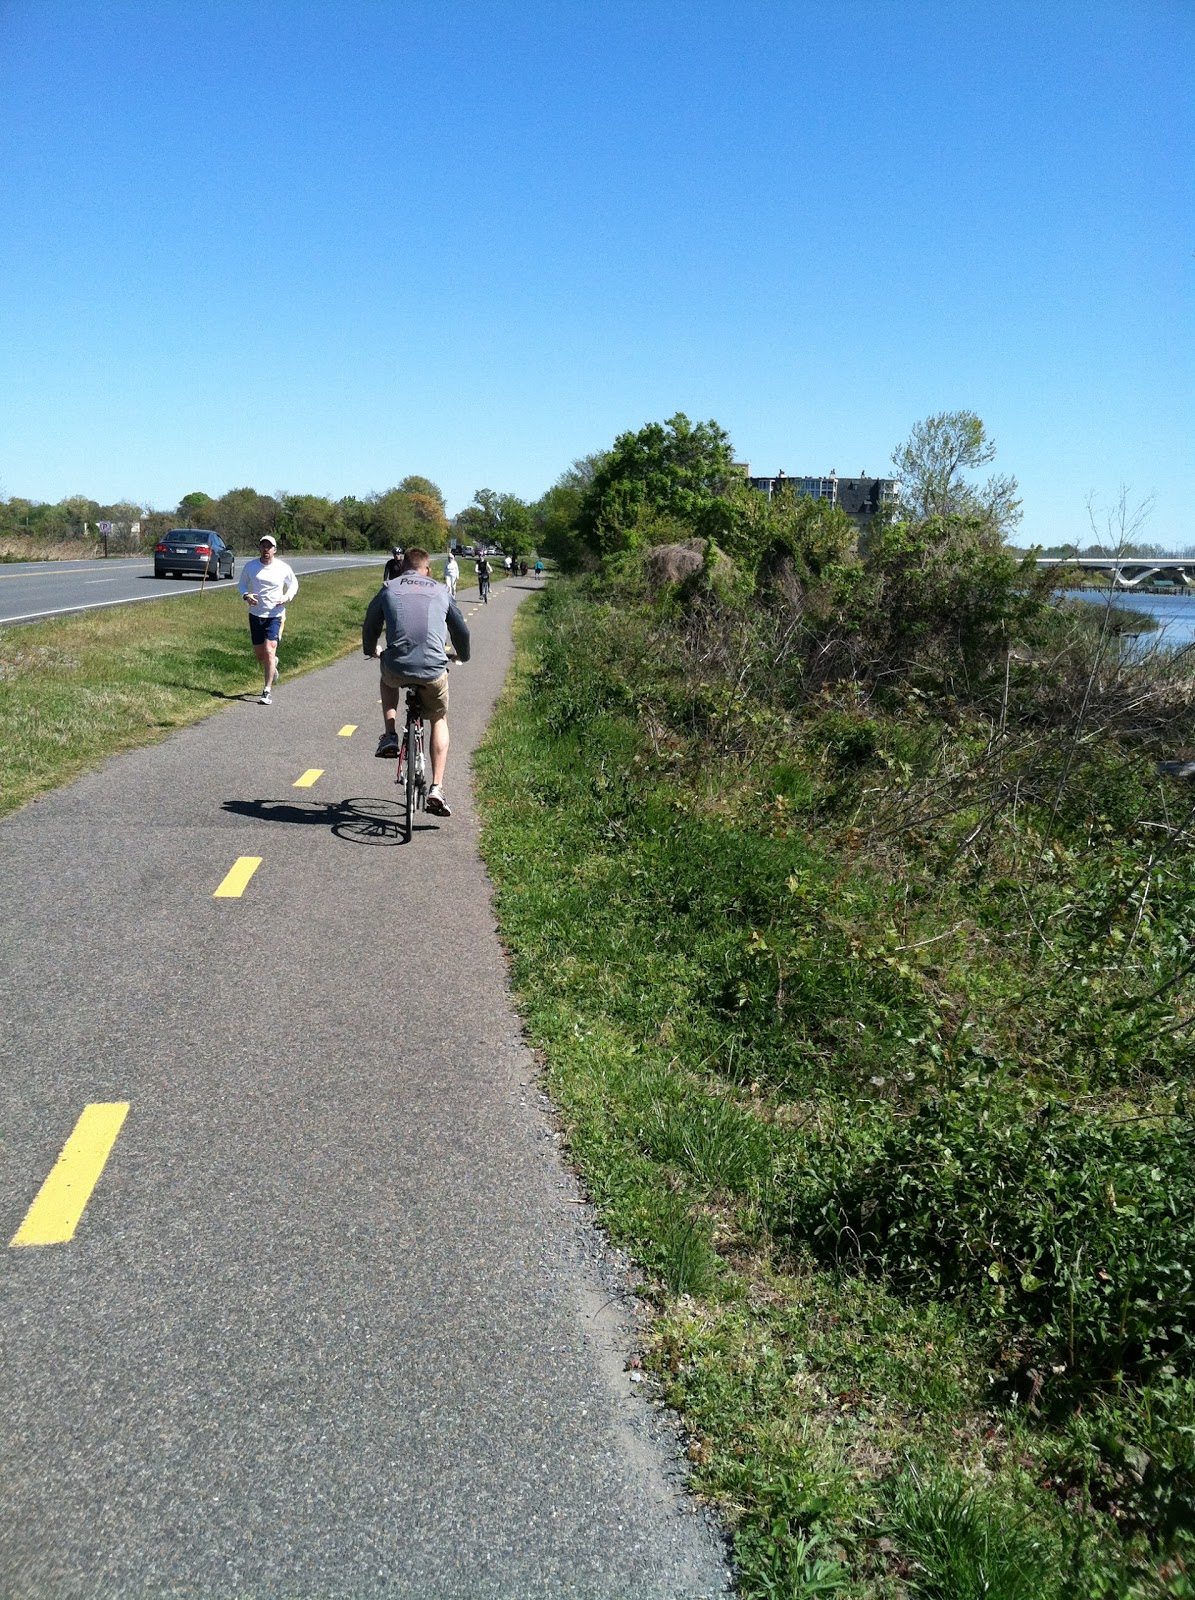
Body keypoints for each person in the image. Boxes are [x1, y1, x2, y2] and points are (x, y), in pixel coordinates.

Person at [362, 547, 471, 818]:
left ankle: (389, 735)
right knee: (439, 718)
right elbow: (460, 630)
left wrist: (370, 649)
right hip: (434, 670)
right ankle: (436, 787)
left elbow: (370, 624)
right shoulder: (441, 591)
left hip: (397, 665)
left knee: (387, 680)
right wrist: (463, 655)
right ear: (428, 570)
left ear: (402, 568)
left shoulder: (388, 588)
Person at [238, 535, 299, 705]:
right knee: (260, 656)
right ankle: (272, 666)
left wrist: (286, 597)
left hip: (276, 615)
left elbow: (294, 584)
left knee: (269, 650)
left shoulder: (282, 568)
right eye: (263, 546)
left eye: (269, 547)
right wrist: (246, 595)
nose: (266, 550)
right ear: (259, 549)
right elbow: (241, 584)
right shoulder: (251, 567)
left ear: (275, 550)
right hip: (256, 614)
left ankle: (266, 692)